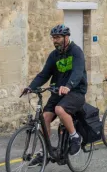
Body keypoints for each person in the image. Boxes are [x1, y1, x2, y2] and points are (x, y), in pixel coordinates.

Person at [22, 24, 87, 156]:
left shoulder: (76, 52)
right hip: (58, 92)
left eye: (57, 37)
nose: (55, 40)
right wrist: (31, 87)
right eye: (53, 38)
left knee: (59, 109)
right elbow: (44, 74)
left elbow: (78, 72)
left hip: (76, 92)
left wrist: (69, 86)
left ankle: (75, 137)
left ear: (66, 37)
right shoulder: (54, 55)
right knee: (44, 117)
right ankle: (44, 151)